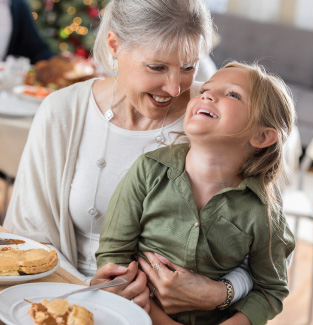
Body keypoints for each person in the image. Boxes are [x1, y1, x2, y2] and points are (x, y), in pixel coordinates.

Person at [4, 0, 252, 314]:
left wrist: (219, 292)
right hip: (67, 299)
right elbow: (29, 240)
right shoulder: (63, 111)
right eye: (157, 67)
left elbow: (269, 250)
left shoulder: (218, 116)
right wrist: (90, 292)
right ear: (114, 45)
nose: (175, 87)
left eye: (188, 67)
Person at [96, 61, 296, 325]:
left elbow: (270, 290)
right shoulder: (148, 170)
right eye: (207, 90)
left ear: (262, 136)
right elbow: (114, 255)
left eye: (233, 94)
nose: (207, 94)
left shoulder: (263, 211)